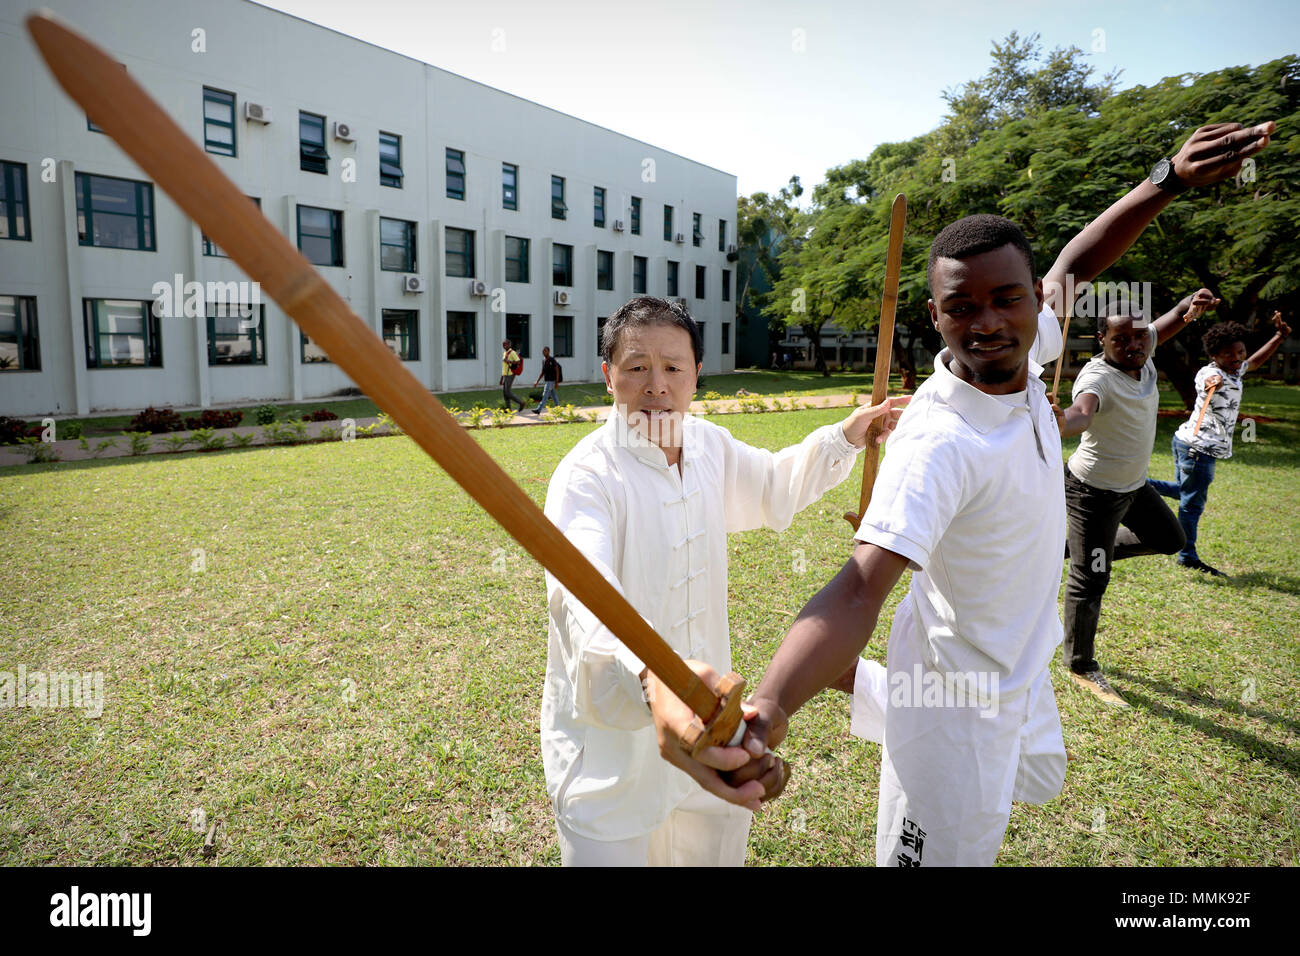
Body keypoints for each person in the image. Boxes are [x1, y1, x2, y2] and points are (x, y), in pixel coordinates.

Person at [650, 120, 1276, 867]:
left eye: (1006, 300)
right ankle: (896, 693)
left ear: (1033, 301)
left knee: (1023, 779)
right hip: (957, 718)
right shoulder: (939, 442)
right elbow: (857, 589)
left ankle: (881, 683)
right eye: (961, 309)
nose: (986, 324)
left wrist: (1164, 180)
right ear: (935, 317)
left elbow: (1079, 256)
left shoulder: (1031, 336)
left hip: (1018, 664)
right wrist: (771, 708)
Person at [540, 295, 908, 866]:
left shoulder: (709, 446)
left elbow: (774, 484)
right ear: (609, 375)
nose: (656, 386)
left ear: (696, 375)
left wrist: (848, 435)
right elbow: (583, 593)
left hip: (711, 732)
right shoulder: (587, 476)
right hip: (613, 749)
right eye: (636, 367)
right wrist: (651, 675)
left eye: (673, 367)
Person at [1051, 289, 1217, 706]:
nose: (1133, 344)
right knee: (1092, 578)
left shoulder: (1145, 349)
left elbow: (1173, 319)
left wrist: (1191, 305)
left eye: (1139, 337)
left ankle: (1075, 550)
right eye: (1121, 339)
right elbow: (1081, 414)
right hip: (1093, 493)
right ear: (1102, 341)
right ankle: (1080, 665)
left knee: (1171, 540)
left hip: (1134, 487)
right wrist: (1060, 422)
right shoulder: (1097, 378)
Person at [1149, 310, 1291, 576]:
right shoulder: (1210, 373)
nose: (1236, 358)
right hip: (1198, 449)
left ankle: (1138, 486)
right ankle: (1187, 555)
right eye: (1229, 354)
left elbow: (1256, 362)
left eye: (1239, 352)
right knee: (1192, 504)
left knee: (1184, 492)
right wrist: (1212, 383)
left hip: (1187, 441)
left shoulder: (1236, 370)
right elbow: (1205, 381)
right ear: (1214, 355)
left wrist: (1279, 337)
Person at [533, 346, 562, 414]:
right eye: (543, 351)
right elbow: (543, 372)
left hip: (551, 381)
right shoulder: (544, 360)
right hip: (547, 380)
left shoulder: (552, 360)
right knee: (554, 395)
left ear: (549, 351)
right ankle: (559, 408)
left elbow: (557, 371)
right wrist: (537, 381)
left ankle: (538, 409)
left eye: (545, 351)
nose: (544, 352)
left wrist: (556, 382)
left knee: (545, 395)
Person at [500, 339, 526, 413]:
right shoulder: (505, 353)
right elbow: (504, 366)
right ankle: (508, 409)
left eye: (506, 344)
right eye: (503, 345)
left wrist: (509, 361)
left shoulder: (512, 353)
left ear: (509, 345)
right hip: (505, 374)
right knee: (505, 393)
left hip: (510, 374)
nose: (504, 346)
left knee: (507, 392)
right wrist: (501, 378)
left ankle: (521, 403)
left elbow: (518, 361)